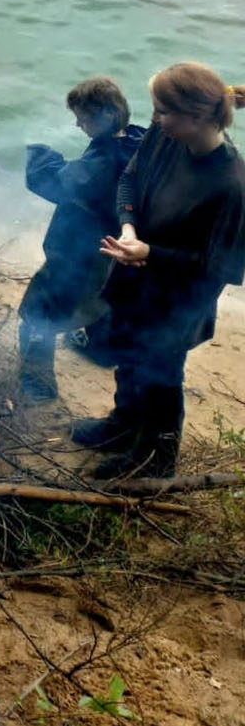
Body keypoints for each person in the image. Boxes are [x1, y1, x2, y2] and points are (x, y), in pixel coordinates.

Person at [76, 63, 245, 479]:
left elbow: (216, 267)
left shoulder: (232, 184)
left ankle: (156, 460)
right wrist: (130, 227)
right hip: (136, 277)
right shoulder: (165, 136)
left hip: (178, 302)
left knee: (161, 374)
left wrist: (150, 251)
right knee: (128, 355)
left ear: (199, 117)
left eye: (163, 111)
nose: (154, 119)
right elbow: (130, 180)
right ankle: (123, 426)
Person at [18, 78, 145, 402]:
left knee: (39, 311)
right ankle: (101, 351)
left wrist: (38, 153)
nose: (77, 124)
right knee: (102, 300)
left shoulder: (103, 162)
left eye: (83, 118)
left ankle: (38, 386)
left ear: (107, 114)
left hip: (80, 253)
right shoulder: (136, 140)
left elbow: (58, 184)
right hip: (112, 250)